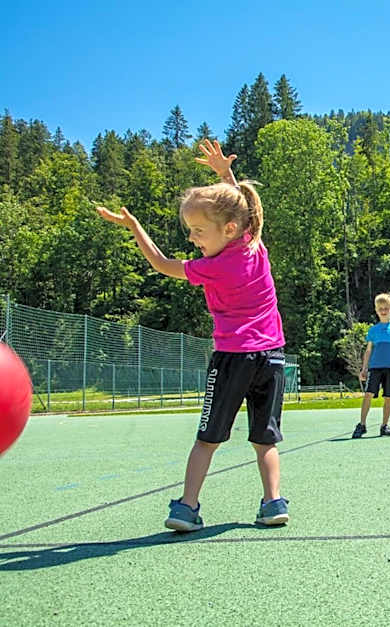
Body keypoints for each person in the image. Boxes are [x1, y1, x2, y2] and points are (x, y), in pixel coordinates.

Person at [96, 139, 289, 532]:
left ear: (229, 229)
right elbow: (242, 209)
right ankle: (273, 504)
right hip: (272, 358)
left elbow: (162, 264)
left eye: (199, 230)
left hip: (233, 358)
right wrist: (224, 175)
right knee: (264, 440)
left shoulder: (211, 267)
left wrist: (135, 228)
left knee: (207, 440)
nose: (193, 239)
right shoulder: (255, 247)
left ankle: (186, 507)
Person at [354, 293, 390, 438]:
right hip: (375, 368)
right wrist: (364, 368)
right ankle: (362, 425)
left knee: (388, 397)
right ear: (376, 310)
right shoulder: (373, 330)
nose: (383, 310)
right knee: (368, 394)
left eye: (386, 308)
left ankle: (384, 425)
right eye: (380, 308)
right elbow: (368, 351)